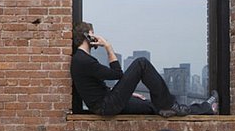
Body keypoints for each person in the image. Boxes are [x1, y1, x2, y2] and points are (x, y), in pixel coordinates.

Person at [71, 21, 218, 117]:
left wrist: (127, 94)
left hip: (106, 104)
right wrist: (108, 47)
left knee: (152, 106)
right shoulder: (83, 60)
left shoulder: (81, 60)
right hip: (106, 106)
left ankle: (205, 108)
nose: (96, 37)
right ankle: (171, 104)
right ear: (87, 35)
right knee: (141, 63)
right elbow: (117, 74)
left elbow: (97, 89)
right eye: (93, 33)